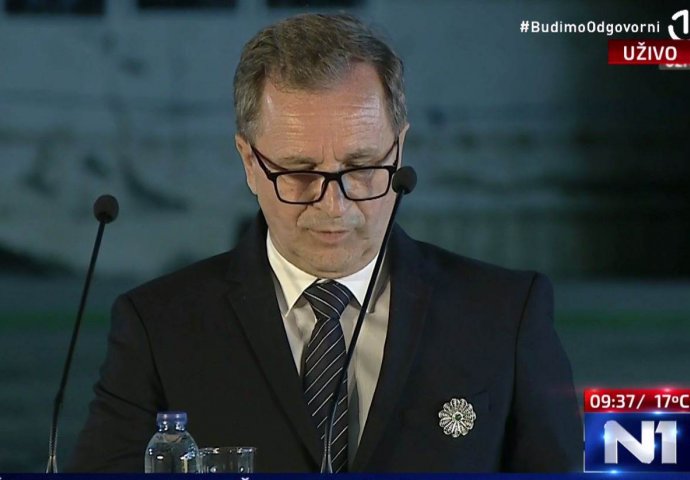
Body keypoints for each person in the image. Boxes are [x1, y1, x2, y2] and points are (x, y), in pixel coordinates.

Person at [67, 13, 582, 473]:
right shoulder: (158, 327)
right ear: (249, 163)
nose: (334, 206)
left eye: (362, 168)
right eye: (298, 173)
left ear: (399, 148)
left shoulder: (506, 315)